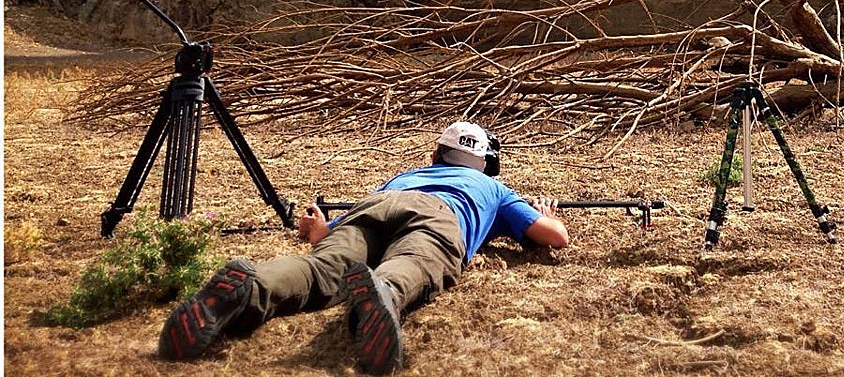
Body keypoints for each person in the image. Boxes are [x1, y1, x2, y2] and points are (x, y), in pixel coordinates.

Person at [158, 121, 569, 374]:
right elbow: (554, 238)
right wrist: (549, 213)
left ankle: (251, 288)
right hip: (440, 215)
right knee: (415, 260)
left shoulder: (408, 174)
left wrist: (318, 227)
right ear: (484, 164)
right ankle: (384, 292)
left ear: (436, 154)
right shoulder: (492, 188)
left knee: (320, 267)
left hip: (375, 206)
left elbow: (324, 237)